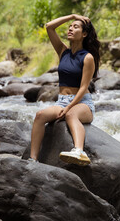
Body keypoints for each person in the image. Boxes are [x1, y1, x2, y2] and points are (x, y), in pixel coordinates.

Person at [28, 14, 100, 166]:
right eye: (70, 26)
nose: (70, 29)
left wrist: (69, 106)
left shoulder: (87, 58)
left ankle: (79, 151)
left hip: (82, 103)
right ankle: (32, 159)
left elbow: (83, 88)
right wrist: (72, 16)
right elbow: (49, 26)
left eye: (76, 27)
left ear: (84, 34)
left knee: (71, 114)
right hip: (62, 101)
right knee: (40, 115)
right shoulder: (63, 51)